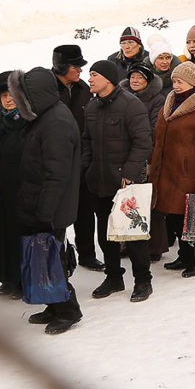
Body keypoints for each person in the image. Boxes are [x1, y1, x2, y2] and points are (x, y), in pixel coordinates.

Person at [7, 68, 84, 335]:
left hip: (51, 207)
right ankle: (53, 304)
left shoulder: (56, 123)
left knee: (53, 258)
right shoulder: (45, 117)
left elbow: (56, 175)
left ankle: (68, 310)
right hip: (40, 203)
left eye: (22, 98)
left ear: (34, 96)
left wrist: (44, 213)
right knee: (46, 257)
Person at [82, 60, 154, 302]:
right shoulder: (92, 107)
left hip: (126, 183)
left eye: (94, 75)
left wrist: (128, 174)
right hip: (99, 182)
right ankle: (114, 277)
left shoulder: (131, 105)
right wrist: (87, 168)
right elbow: (86, 142)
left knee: (133, 235)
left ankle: (143, 281)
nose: (89, 79)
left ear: (108, 79)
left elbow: (143, 143)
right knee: (106, 234)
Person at [149, 62, 195, 278]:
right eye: (174, 81)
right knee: (174, 219)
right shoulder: (168, 105)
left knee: (192, 219)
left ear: (192, 83)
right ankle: (184, 255)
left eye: (180, 81)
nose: (176, 85)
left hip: (188, 176)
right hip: (168, 175)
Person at [52, 45, 104, 273]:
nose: (81, 71)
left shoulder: (84, 89)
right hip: (56, 162)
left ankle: (87, 255)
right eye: (76, 66)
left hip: (81, 160)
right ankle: (55, 259)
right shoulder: (47, 89)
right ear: (62, 67)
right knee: (56, 214)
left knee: (85, 211)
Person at [0, 71, 30, 301]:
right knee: (0, 235)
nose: (8, 99)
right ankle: (7, 278)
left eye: (11, 94)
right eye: (3, 95)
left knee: (19, 234)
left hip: (21, 186)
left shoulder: (29, 117)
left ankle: (22, 279)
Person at [121, 64, 165, 128]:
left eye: (140, 77)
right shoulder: (122, 97)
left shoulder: (158, 100)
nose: (135, 81)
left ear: (147, 80)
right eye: (132, 77)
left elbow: (155, 126)